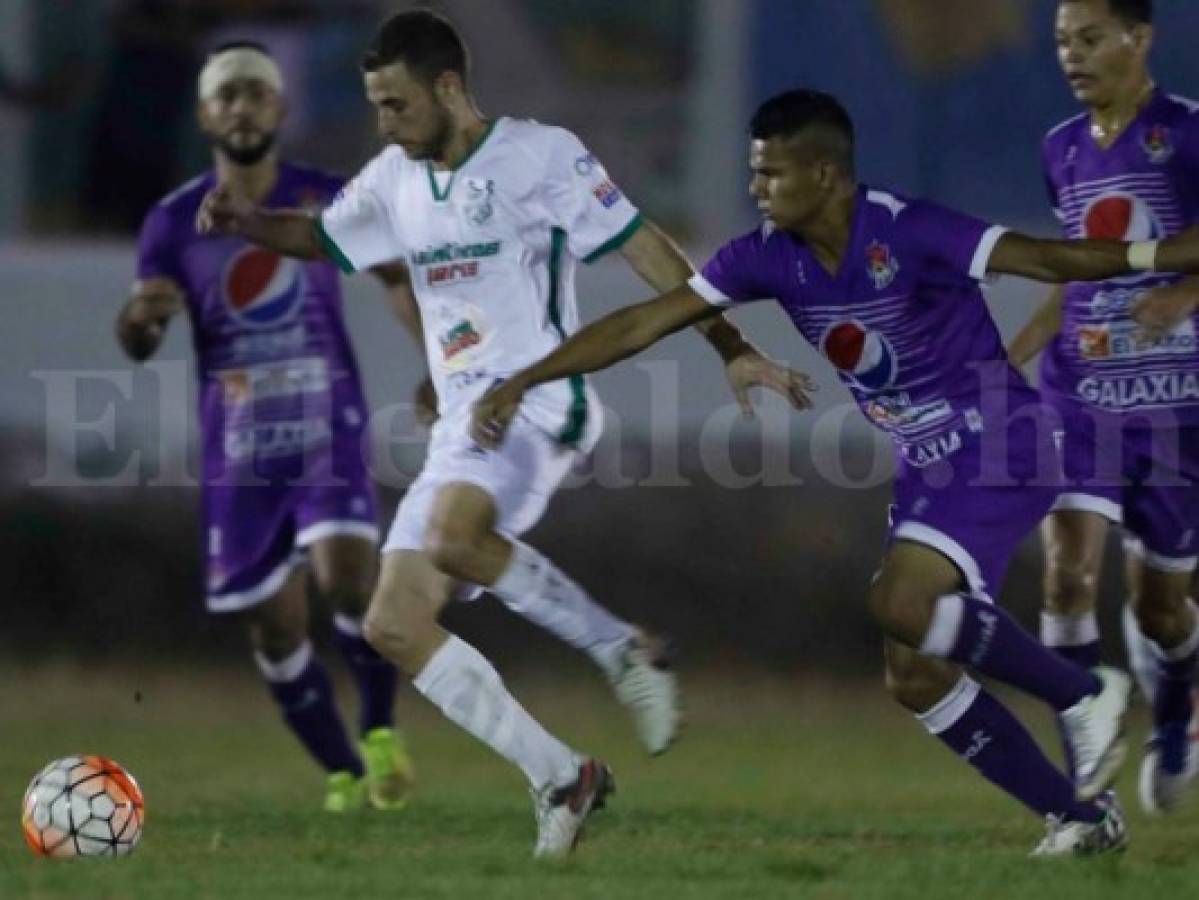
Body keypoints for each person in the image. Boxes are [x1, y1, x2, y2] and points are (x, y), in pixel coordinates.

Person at [469, 88, 1199, 857]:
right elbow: (642, 323)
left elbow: (1044, 256)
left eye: (771, 174)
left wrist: (1160, 257)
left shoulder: (906, 229)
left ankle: (1083, 693)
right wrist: (526, 378)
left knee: (898, 600)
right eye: (753, 173)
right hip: (928, 465)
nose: (757, 189)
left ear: (824, 175)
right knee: (913, 675)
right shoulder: (764, 256)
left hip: (1000, 440)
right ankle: (1080, 817)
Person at [195, 10, 811, 858]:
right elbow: (326, 236)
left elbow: (646, 252)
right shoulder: (393, 176)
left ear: (447, 88)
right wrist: (245, 224)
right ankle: (561, 775)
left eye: (397, 104)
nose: (385, 123)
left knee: (452, 537)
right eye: (375, 106)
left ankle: (621, 647)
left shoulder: (538, 155)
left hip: (537, 399)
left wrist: (729, 344)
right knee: (392, 626)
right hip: (465, 423)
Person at [116, 41, 419, 813]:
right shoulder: (171, 219)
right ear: (204, 114)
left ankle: (380, 732)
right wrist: (140, 322)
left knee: (349, 578)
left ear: (281, 108)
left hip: (324, 420)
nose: (242, 106)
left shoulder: (325, 196)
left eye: (257, 92)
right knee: (276, 630)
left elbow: (394, 273)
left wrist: (439, 364)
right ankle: (342, 770)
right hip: (239, 445)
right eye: (228, 95)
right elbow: (140, 329)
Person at [1007, 0, 1199, 814]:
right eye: (1059, 42)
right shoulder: (1058, 148)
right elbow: (1075, 271)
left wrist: (1182, 296)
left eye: (1088, 39)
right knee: (1064, 576)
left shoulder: (1186, 135)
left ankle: (1177, 708)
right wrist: (1005, 357)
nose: (1070, 56)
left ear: (1139, 37)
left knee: (1159, 610)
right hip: (1079, 398)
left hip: (1174, 409)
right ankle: (1084, 781)